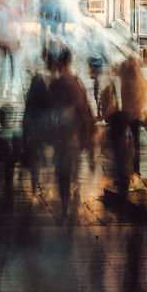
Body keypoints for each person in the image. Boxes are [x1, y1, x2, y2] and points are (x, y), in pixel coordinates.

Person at [48, 49, 95, 219]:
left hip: (62, 136)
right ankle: (72, 192)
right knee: (71, 166)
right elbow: (84, 109)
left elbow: (48, 110)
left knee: (63, 169)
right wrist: (88, 133)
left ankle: (65, 201)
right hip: (72, 136)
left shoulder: (56, 84)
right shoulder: (75, 83)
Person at [118, 54, 147, 183]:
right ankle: (135, 169)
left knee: (125, 142)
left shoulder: (124, 82)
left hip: (126, 114)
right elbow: (142, 96)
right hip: (134, 115)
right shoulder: (136, 82)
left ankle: (126, 168)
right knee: (135, 143)